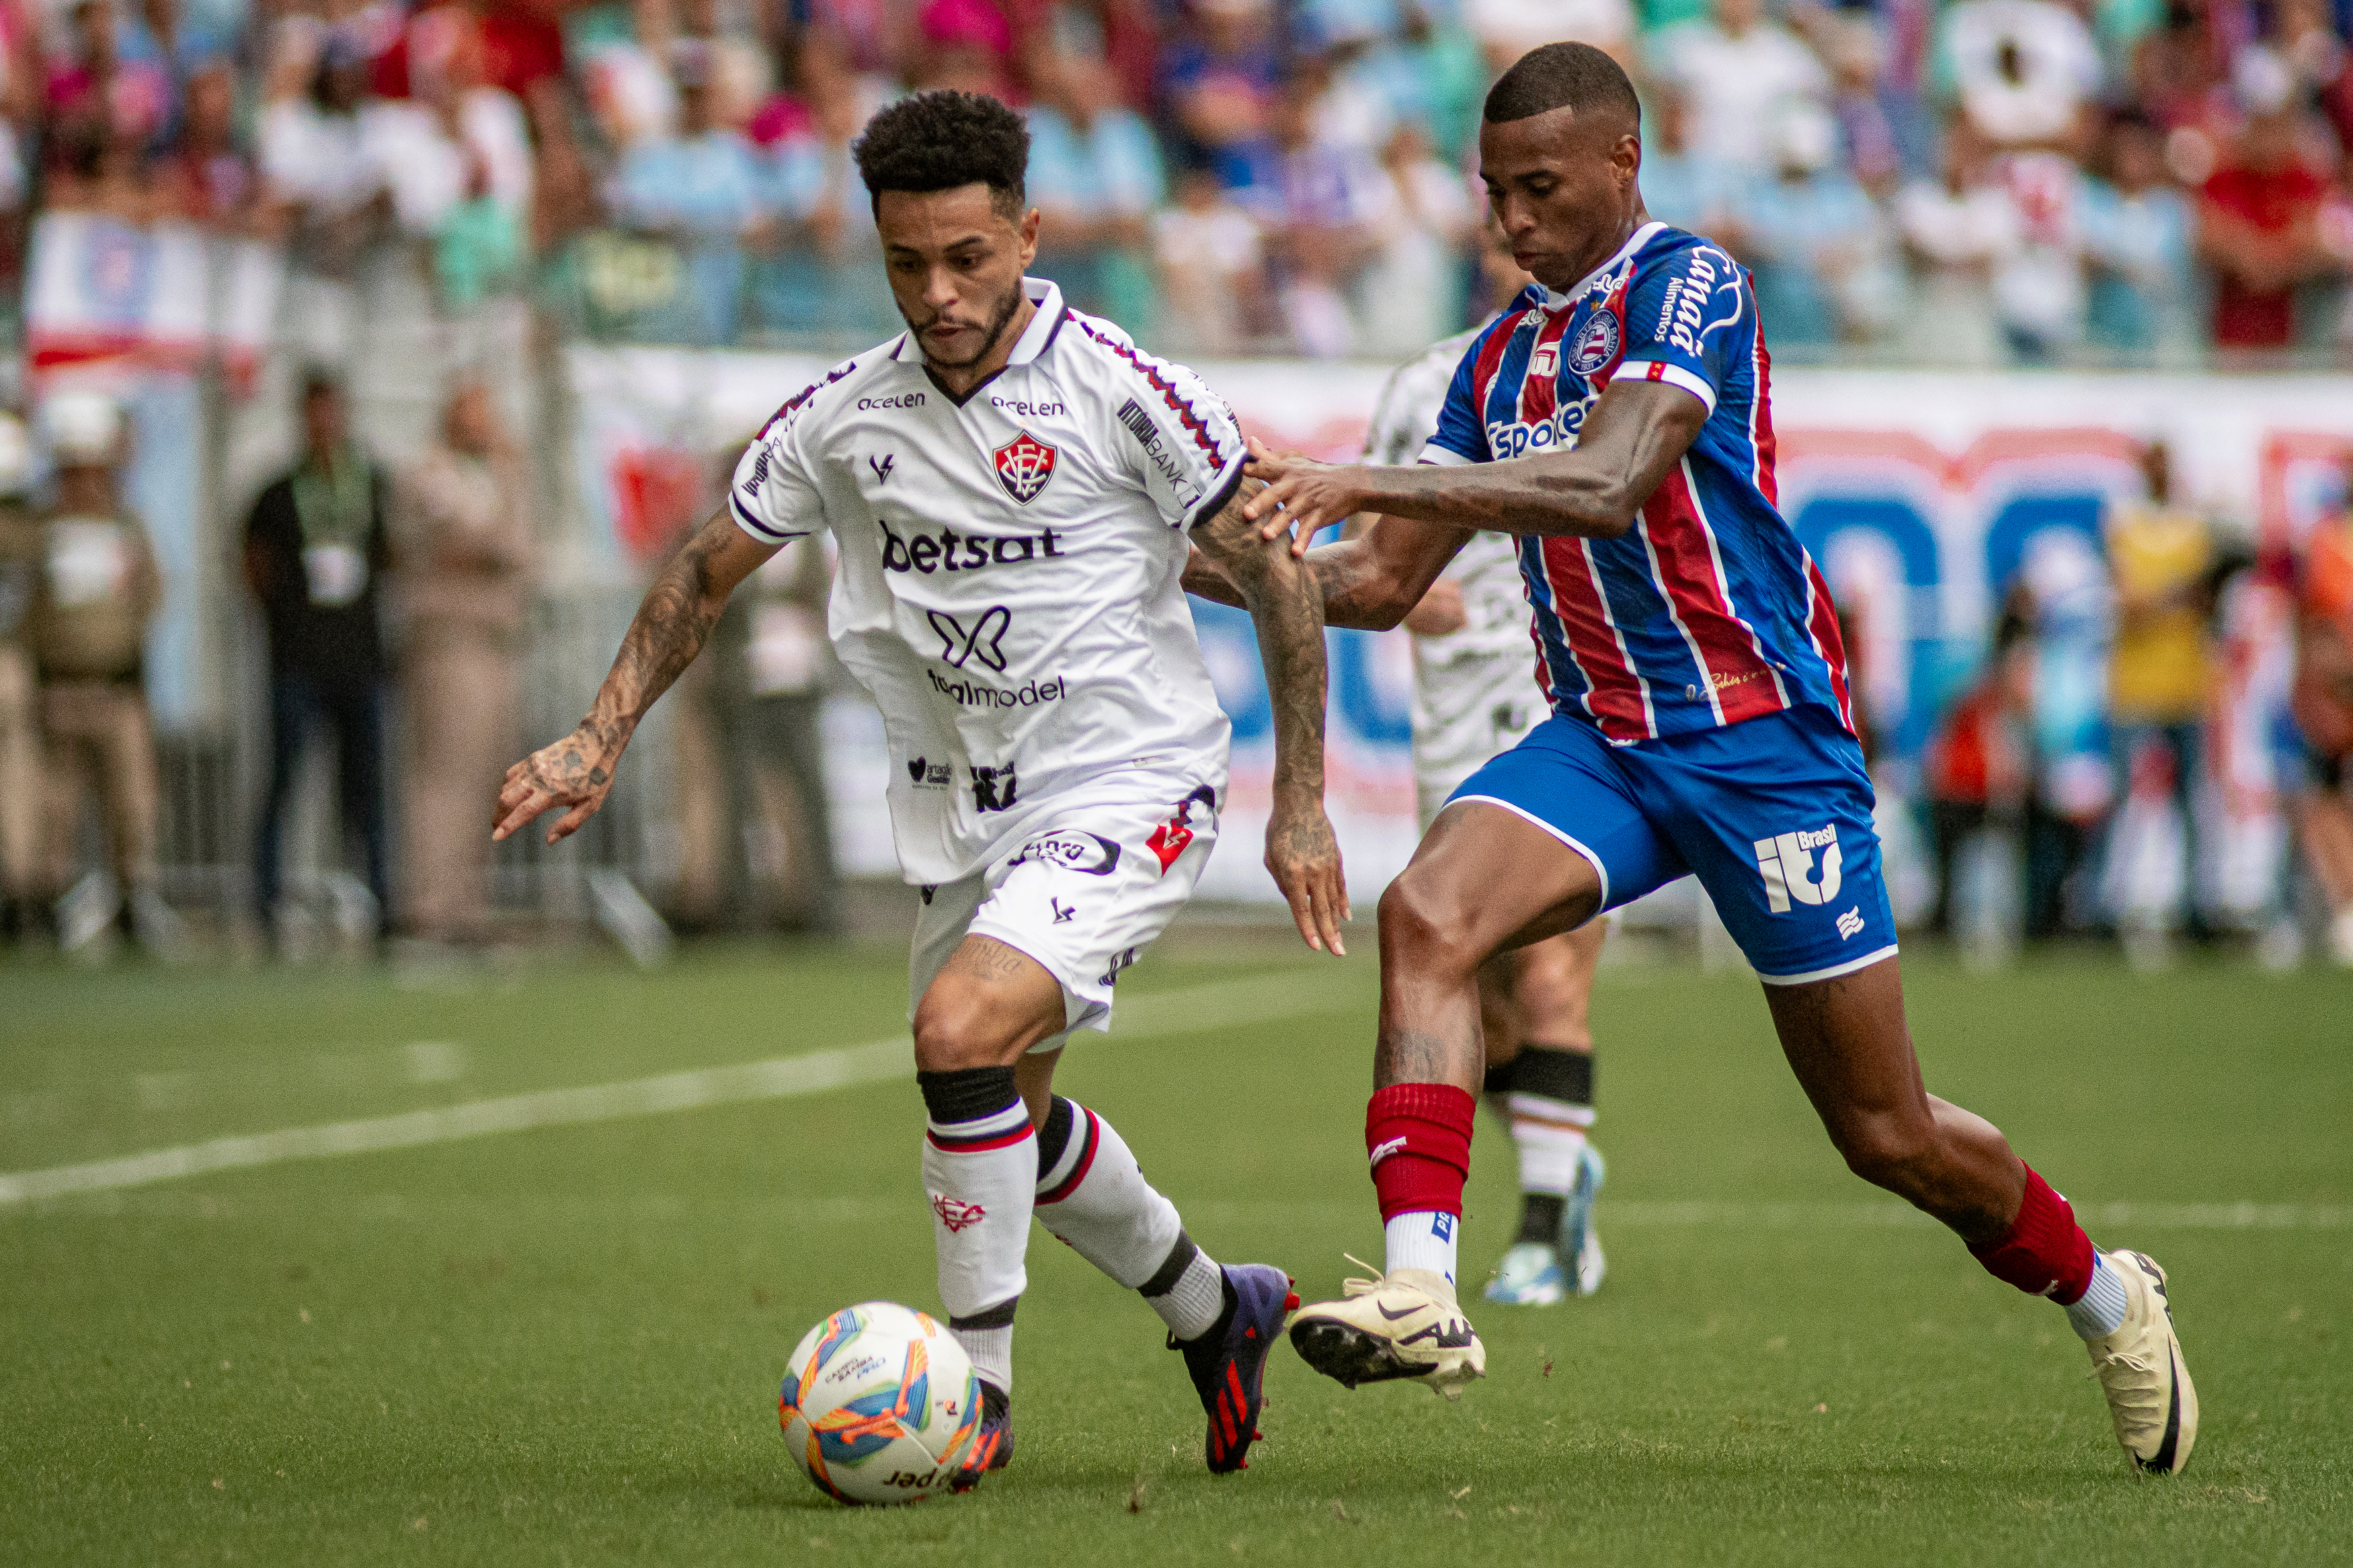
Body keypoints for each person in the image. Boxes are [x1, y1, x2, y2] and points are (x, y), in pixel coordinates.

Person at [1224, 44, 2196, 1476]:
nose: (1511, 220)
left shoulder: (1691, 284)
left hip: (1762, 747)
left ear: (1625, 163)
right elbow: (1371, 583)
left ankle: (2110, 1296)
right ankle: (1422, 1283)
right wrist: (1179, 555)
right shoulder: (1495, 359)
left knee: (1884, 1129)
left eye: (1540, 187)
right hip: (1605, 742)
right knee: (1427, 909)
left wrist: (1354, 470)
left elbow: (1610, 485)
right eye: (1493, 193)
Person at [492, 90, 1343, 1487]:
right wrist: (600, 730)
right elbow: (704, 567)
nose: (939, 293)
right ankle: (1215, 1307)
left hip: (1130, 775)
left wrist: (1300, 799)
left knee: (957, 1031)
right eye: (906, 264)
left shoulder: (1121, 387)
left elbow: (1276, 567)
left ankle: (974, 1398)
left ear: (1027, 233)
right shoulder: (847, 417)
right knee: (1004, 1098)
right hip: (962, 803)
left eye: (968, 257)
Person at [1345, 216, 1607, 1307]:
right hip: (1456, 716)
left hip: (1574, 702)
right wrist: (1407, 593)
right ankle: (1564, 1162)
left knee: (1550, 970)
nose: (1520, 267)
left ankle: (1546, 1230)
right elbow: (1374, 541)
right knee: (1478, 996)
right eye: (1501, 252)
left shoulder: (1609, 379)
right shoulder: (1426, 386)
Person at [245, 372, 395, 944]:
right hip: (298, 662)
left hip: (359, 661)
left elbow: (390, 555)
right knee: (283, 781)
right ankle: (267, 901)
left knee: (366, 789)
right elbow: (253, 566)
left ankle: (382, 899)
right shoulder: (279, 492)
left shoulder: (370, 483)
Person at [28, 392, 172, 950]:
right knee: (53, 808)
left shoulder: (126, 526)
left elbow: (152, 595)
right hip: (60, 687)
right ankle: (43, 903)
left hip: (116, 687)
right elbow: (29, 609)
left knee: (132, 804)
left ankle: (134, 897)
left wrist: (124, 646)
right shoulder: (42, 532)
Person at [394, 376, 532, 949]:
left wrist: (494, 544)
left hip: (494, 639)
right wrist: (490, 550)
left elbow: (520, 549)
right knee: (443, 776)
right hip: (448, 640)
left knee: (485, 780)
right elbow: (457, 542)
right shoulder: (433, 474)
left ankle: (468, 903)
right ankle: (429, 904)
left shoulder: (499, 475)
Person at [2102, 440, 2217, 949]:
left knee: (2191, 803)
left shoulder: (2191, 529)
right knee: (2124, 800)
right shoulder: (2128, 528)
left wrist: (2158, 597)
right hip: (2136, 685)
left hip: (2184, 682)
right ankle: (2104, 905)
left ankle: (2196, 906)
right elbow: (2132, 604)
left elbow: (2201, 598)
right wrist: (2174, 594)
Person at [2289, 452, 2353, 966]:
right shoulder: (2329, 544)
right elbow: (2316, 625)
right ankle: (2346, 907)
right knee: (2326, 798)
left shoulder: (2329, 545)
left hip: (2338, 687)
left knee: (2328, 800)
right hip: (2338, 693)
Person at [0, 411, 41, 940]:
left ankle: (18, 890)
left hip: (12, 659)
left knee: (18, 781)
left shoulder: (29, 531)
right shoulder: (31, 529)